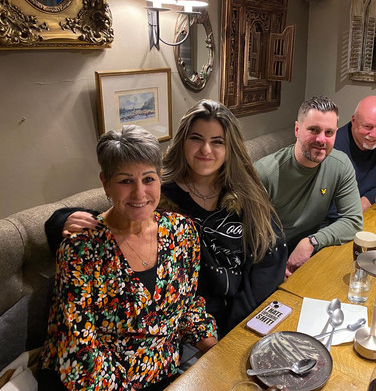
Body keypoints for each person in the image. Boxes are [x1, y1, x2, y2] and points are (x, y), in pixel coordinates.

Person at [45, 99, 287, 338]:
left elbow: (270, 256)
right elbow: (115, 217)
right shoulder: (157, 191)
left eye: (217, 141)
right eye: (196, 138)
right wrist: (62, 220)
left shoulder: (247, 192)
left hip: (245, 316)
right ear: (182, 141)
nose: (206, 150)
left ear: (230, 147)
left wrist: (240, 325)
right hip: (188, 324)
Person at [39, 125, 217, 390]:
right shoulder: (80, 249)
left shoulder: (182, 231)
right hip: (98, 380)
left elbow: (188, 306)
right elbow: (79, 349)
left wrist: (218, 352)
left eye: (148, 179)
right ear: (105, 183)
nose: (139, 193)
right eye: (125, 181)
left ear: (160, 178)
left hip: (165, 371)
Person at [254, 96, 363, 277]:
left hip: (311, 254)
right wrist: (277, 270)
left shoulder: (340, 165)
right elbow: (248, 237)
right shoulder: (265, 173)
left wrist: (311, 242)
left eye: (329, 132)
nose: (321, 139)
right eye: (314, 130)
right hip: (269, 262)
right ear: (297, 129)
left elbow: (353, 221)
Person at [331, 95, 376, 213]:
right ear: (354, 121)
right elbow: (326, 202)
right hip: (340, 217)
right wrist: (356, 207)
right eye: (367, 126)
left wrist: (367, 200)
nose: (374, 135)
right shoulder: (333, 146)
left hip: (369, 210)